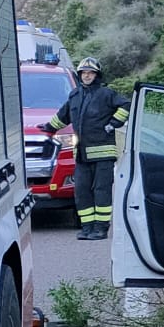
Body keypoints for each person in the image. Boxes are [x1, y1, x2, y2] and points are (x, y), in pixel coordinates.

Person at [45, 59, 129, 240]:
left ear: (97, 75)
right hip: (82, 155)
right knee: (81, 191)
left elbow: (126, 105)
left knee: (101, 191)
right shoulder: (75, 95)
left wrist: (113, 123)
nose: (87, 75)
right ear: (80, 75)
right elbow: (63, 116)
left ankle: (101, 228)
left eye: (91, 72)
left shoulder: (107, 94)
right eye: (84, 72)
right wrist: (48, 128)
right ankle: (87, 227)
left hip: (103, 154)